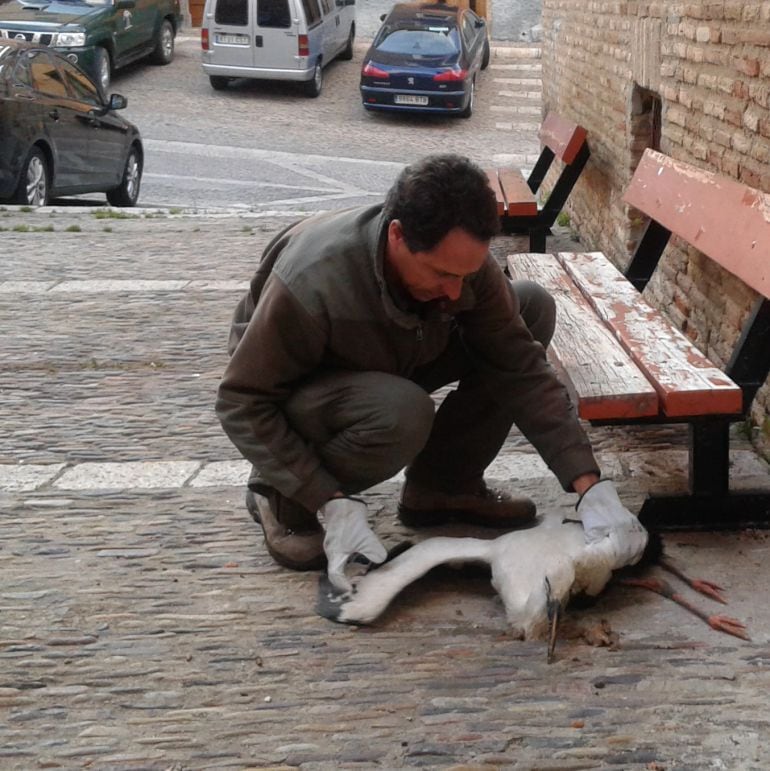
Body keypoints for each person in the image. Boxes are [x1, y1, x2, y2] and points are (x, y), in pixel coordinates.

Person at [216, 154, 647, 592]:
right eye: (442, 273)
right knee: (402, 411)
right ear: (398, 235)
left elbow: (519, 365)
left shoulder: (459, 266)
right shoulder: (313, 281)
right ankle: (280, 496)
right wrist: (326, 496)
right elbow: (242, 399)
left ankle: (443, 486)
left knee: (530, 307)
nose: (456, 291)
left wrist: (589, 486)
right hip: (304, 390)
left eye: (467, 273)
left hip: (395, 356)